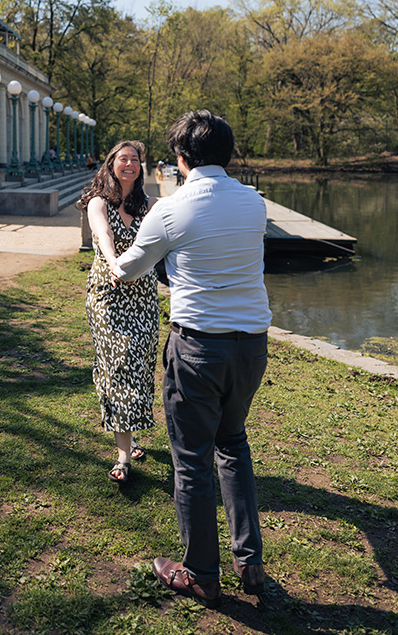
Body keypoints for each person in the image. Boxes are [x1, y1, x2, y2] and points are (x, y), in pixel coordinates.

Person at [111, 110, 271, 608]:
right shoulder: (255, 203)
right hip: (251, 346)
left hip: (198, 348)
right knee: (233, 442)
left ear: (180, 158)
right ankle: (249, 560)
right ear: (226, 154)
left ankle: (201, 572)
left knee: (192, 460)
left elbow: (127, 270)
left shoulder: (170, 210)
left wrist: (109, 241)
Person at [77, 140, 158, 485]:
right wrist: (115, 265)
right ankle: (123, 456)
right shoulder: (98, 202)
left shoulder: (151, 206)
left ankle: (131, 433)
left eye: (135, 160)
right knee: (117, 364)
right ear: (110, 164)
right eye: (122, 159)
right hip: (108, 294)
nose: (129, 164)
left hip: (143, 297)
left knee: (139, 364)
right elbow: (104, 233)